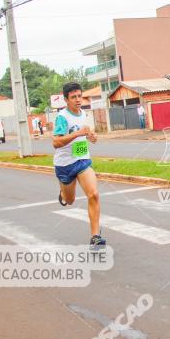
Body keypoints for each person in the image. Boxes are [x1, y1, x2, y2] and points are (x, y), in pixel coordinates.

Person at [53, 82, 105, 250]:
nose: (77, 100)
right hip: (65, 165)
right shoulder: (62, 117)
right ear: (66, 100)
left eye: (79, 96)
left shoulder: (83, 114)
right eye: (73, 97)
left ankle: (95, 237)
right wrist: (77, 133)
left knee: (94, 194)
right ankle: (63, 192)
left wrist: (91, 137)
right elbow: (56, 142)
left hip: (82, 160)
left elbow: (84, 134)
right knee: (70, 201)